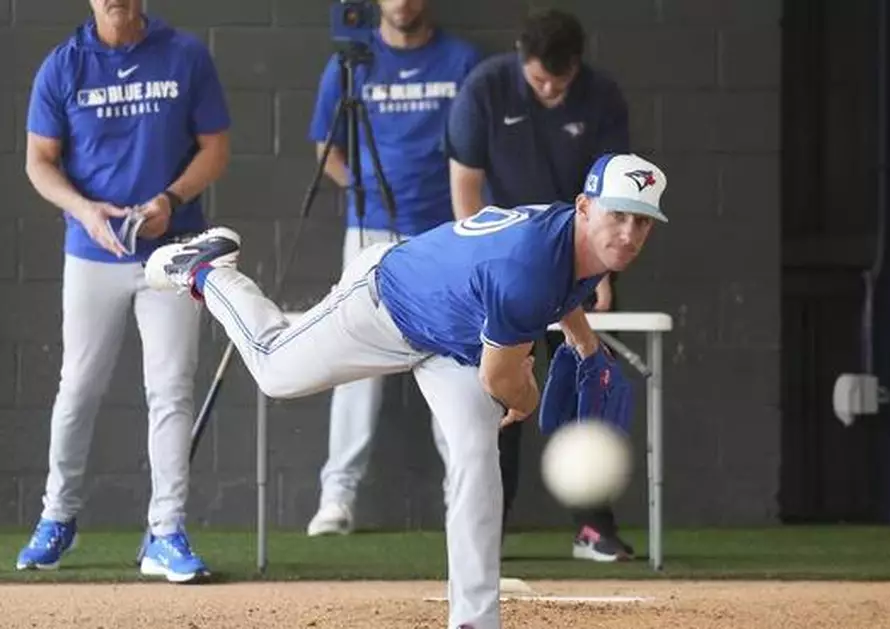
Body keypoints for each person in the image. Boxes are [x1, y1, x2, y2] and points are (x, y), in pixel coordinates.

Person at [143, 153, 667, 629]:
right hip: (385, 304)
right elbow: (498, 378)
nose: (626, 233)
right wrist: (525, 399)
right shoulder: (529, 264)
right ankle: (205, 270)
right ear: (584, 207)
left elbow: (559, 292)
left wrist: (585, 343)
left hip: (454, 339)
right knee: (275, 371)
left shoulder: (574, 241)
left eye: (640, 221)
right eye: (616, 215)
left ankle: (475, 620)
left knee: (476, 457)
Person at [15, 0, 231, 582]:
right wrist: (84, 211)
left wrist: (171, 200)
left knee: (170, 389)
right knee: (78, 388)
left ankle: (166, 532)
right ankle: (56, 518)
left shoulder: (184, 54)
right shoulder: (63, 66)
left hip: (171, 250)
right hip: (93, 255)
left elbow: (216, 147)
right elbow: (39, 162)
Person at [443, 7, 633, 561]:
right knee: (499, 395)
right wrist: (477, 270)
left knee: (587, 386)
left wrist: (603, 273)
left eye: (560, 80)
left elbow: (615, 202)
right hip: (507, 267)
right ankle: (486, 531)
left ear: (577, 67)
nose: (549, 89)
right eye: (538, 79)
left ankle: (593, 528)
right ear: (521, 61)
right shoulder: (483, 90)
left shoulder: (603, 98)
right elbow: (465, 190)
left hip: (578, 261)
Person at [305, 0, 480, 537]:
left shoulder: (462, 60)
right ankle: (337, 499)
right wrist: (362, 193)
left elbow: (478, 145)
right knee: (354, 366)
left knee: (457, 362)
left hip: (443, 232)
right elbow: (325, 147)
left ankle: (464, 497)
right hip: (369, 232)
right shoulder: (350, 63)